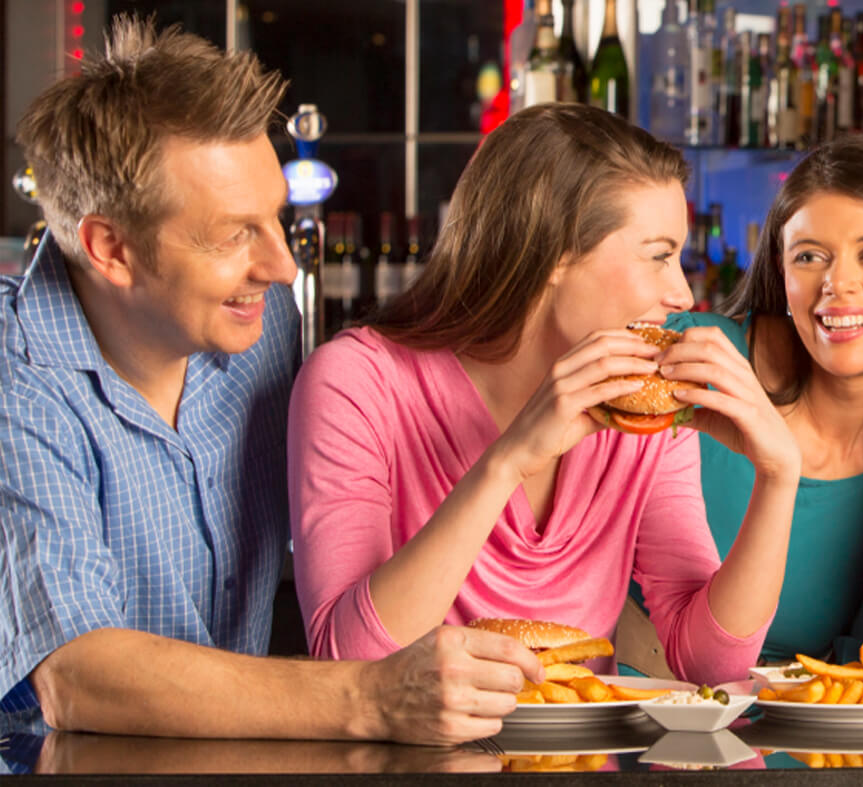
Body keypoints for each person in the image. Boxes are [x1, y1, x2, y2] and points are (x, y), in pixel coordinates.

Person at [0, 17, 540, 745]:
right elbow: (75, 674)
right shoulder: (16, 372)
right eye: (232, 234)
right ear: (110, 249)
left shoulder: (260, 321)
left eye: (275, 219)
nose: (282, 266)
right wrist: (372, 697)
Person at [287, 103, 799, 686]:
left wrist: (779, 474)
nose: (681, 292)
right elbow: (348, 665)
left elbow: (710, 665)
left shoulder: (640, 416)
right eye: (658, 255)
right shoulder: (356, 384)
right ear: (552, 252)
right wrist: (506, 463)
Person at [622, 134, 863, 673]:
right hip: (634, 711)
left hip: (821, 740)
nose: (838, 284)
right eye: (810, 256)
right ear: (782, 271)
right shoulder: (688, 356)